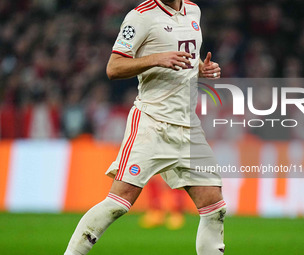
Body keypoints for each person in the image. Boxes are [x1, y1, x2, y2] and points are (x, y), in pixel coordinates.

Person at [64, 0, 226, 254]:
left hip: (188, 126)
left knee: (214, 208)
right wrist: (155, 59)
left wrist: (200, 70)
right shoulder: (141, 16)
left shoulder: (193, 11)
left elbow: (184, 64)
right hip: (152, 123)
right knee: (119, 203)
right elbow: (113, 68)